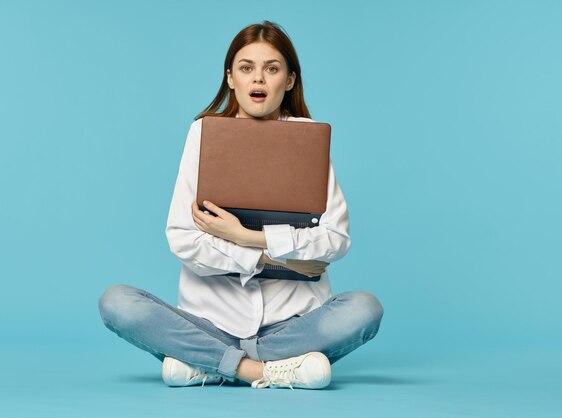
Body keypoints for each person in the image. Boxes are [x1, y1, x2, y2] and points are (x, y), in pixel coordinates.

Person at [98, 20, 383, 390]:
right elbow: (183, 240)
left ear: (290, 80)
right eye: (247, 68)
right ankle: (263, 371)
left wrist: (247, 237)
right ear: (231, 78)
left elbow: (334, 239)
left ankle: (207, 364)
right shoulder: (204, 134)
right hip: (210, 324)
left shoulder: (309, 140)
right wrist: (273, 256)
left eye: (272, 69)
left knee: (365, 308)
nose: (258, 79)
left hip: (293, 324)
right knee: (118, 302)